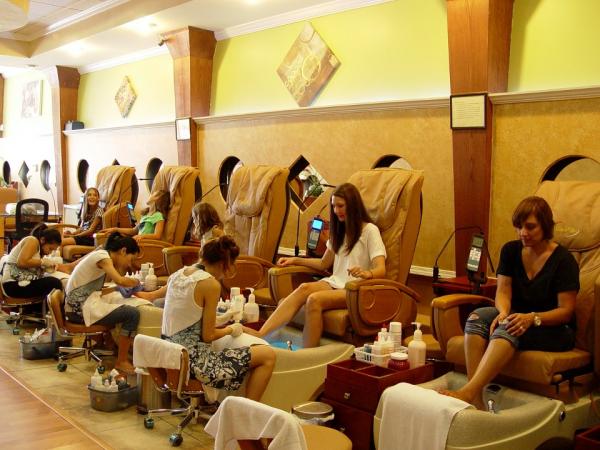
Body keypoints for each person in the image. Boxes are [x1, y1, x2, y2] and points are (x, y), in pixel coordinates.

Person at [441, 196, 579, 409]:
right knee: (477, 317)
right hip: (517, 316)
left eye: (530, 227)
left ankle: (468, 392)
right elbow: (503, 290)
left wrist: (531, 318)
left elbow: (566, 311)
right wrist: (503, 312)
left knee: (509, 326)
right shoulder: (510, 251)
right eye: (519, 227)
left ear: (545, 225)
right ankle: (476, 400)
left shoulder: (564, 260)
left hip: (554, 327)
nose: (523, 232)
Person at [254, 183, 387, 348]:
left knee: (314, 300)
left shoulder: (370, 231)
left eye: (340, 206)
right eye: (334, 206)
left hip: (356, 289)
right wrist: (295, 260)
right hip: (336, 282)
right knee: (303, 288)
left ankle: (307, 354)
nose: (336, 210)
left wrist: (368, 274)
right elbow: (324, 263)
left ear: (353, 205)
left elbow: (381, 269)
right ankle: (261, 335)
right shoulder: (339, 230)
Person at [162, 235, 275, 401]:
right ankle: (248, 410)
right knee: (268, 355)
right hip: (195, 364)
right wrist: (231, 329)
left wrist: (224, 319)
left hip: (170, 355)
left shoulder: (177, 274)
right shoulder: (210, 284)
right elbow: (208, 336)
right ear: (224, 263)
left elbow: (190, 318)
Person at [64, 232, 144, 374]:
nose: (129, 265)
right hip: (78, 309)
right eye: (131, 259)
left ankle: (108, 344)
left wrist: (116, 288)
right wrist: (138, 282)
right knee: (132, 314)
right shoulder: (102, 257)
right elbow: (120, 279)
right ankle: (122, 361)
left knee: (117, 304)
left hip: (76, 306)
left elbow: (98, 290)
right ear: (123, 251)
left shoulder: (101, 255)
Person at [1, 224, 64, 298]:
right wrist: (42, 262)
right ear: (43, 240)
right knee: (55, 283)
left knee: (52, 282)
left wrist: (45, 268)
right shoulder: (32, 240)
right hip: (12, 285)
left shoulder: (39, 249)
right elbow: (21, 262)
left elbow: (31, 267)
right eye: (50, 249)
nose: (50, 253)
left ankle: (40, 305)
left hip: (18, 282)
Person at [104, 189, 170, 242]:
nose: (150, 195)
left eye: (152, 194)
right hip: (138, 242)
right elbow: (134, 230)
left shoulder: (158, 215)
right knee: (113, 236)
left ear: (157, 198)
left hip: (145, 244)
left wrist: (142, 236)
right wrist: (116, 229)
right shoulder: (145, 215)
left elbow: (157, 236)